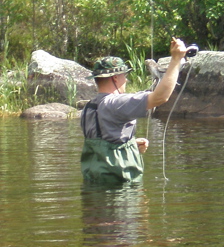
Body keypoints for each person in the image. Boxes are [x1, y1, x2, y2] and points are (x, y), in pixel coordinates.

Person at [80, 37, 188, 184]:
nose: (127, 80)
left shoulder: (88, 107)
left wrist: (131, 145)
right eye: (125, 76)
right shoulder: (116, 103)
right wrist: (176, 60)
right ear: (116, 78)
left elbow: (103, 139)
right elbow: (160, 97)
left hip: (94, 182)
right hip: (119, 185)